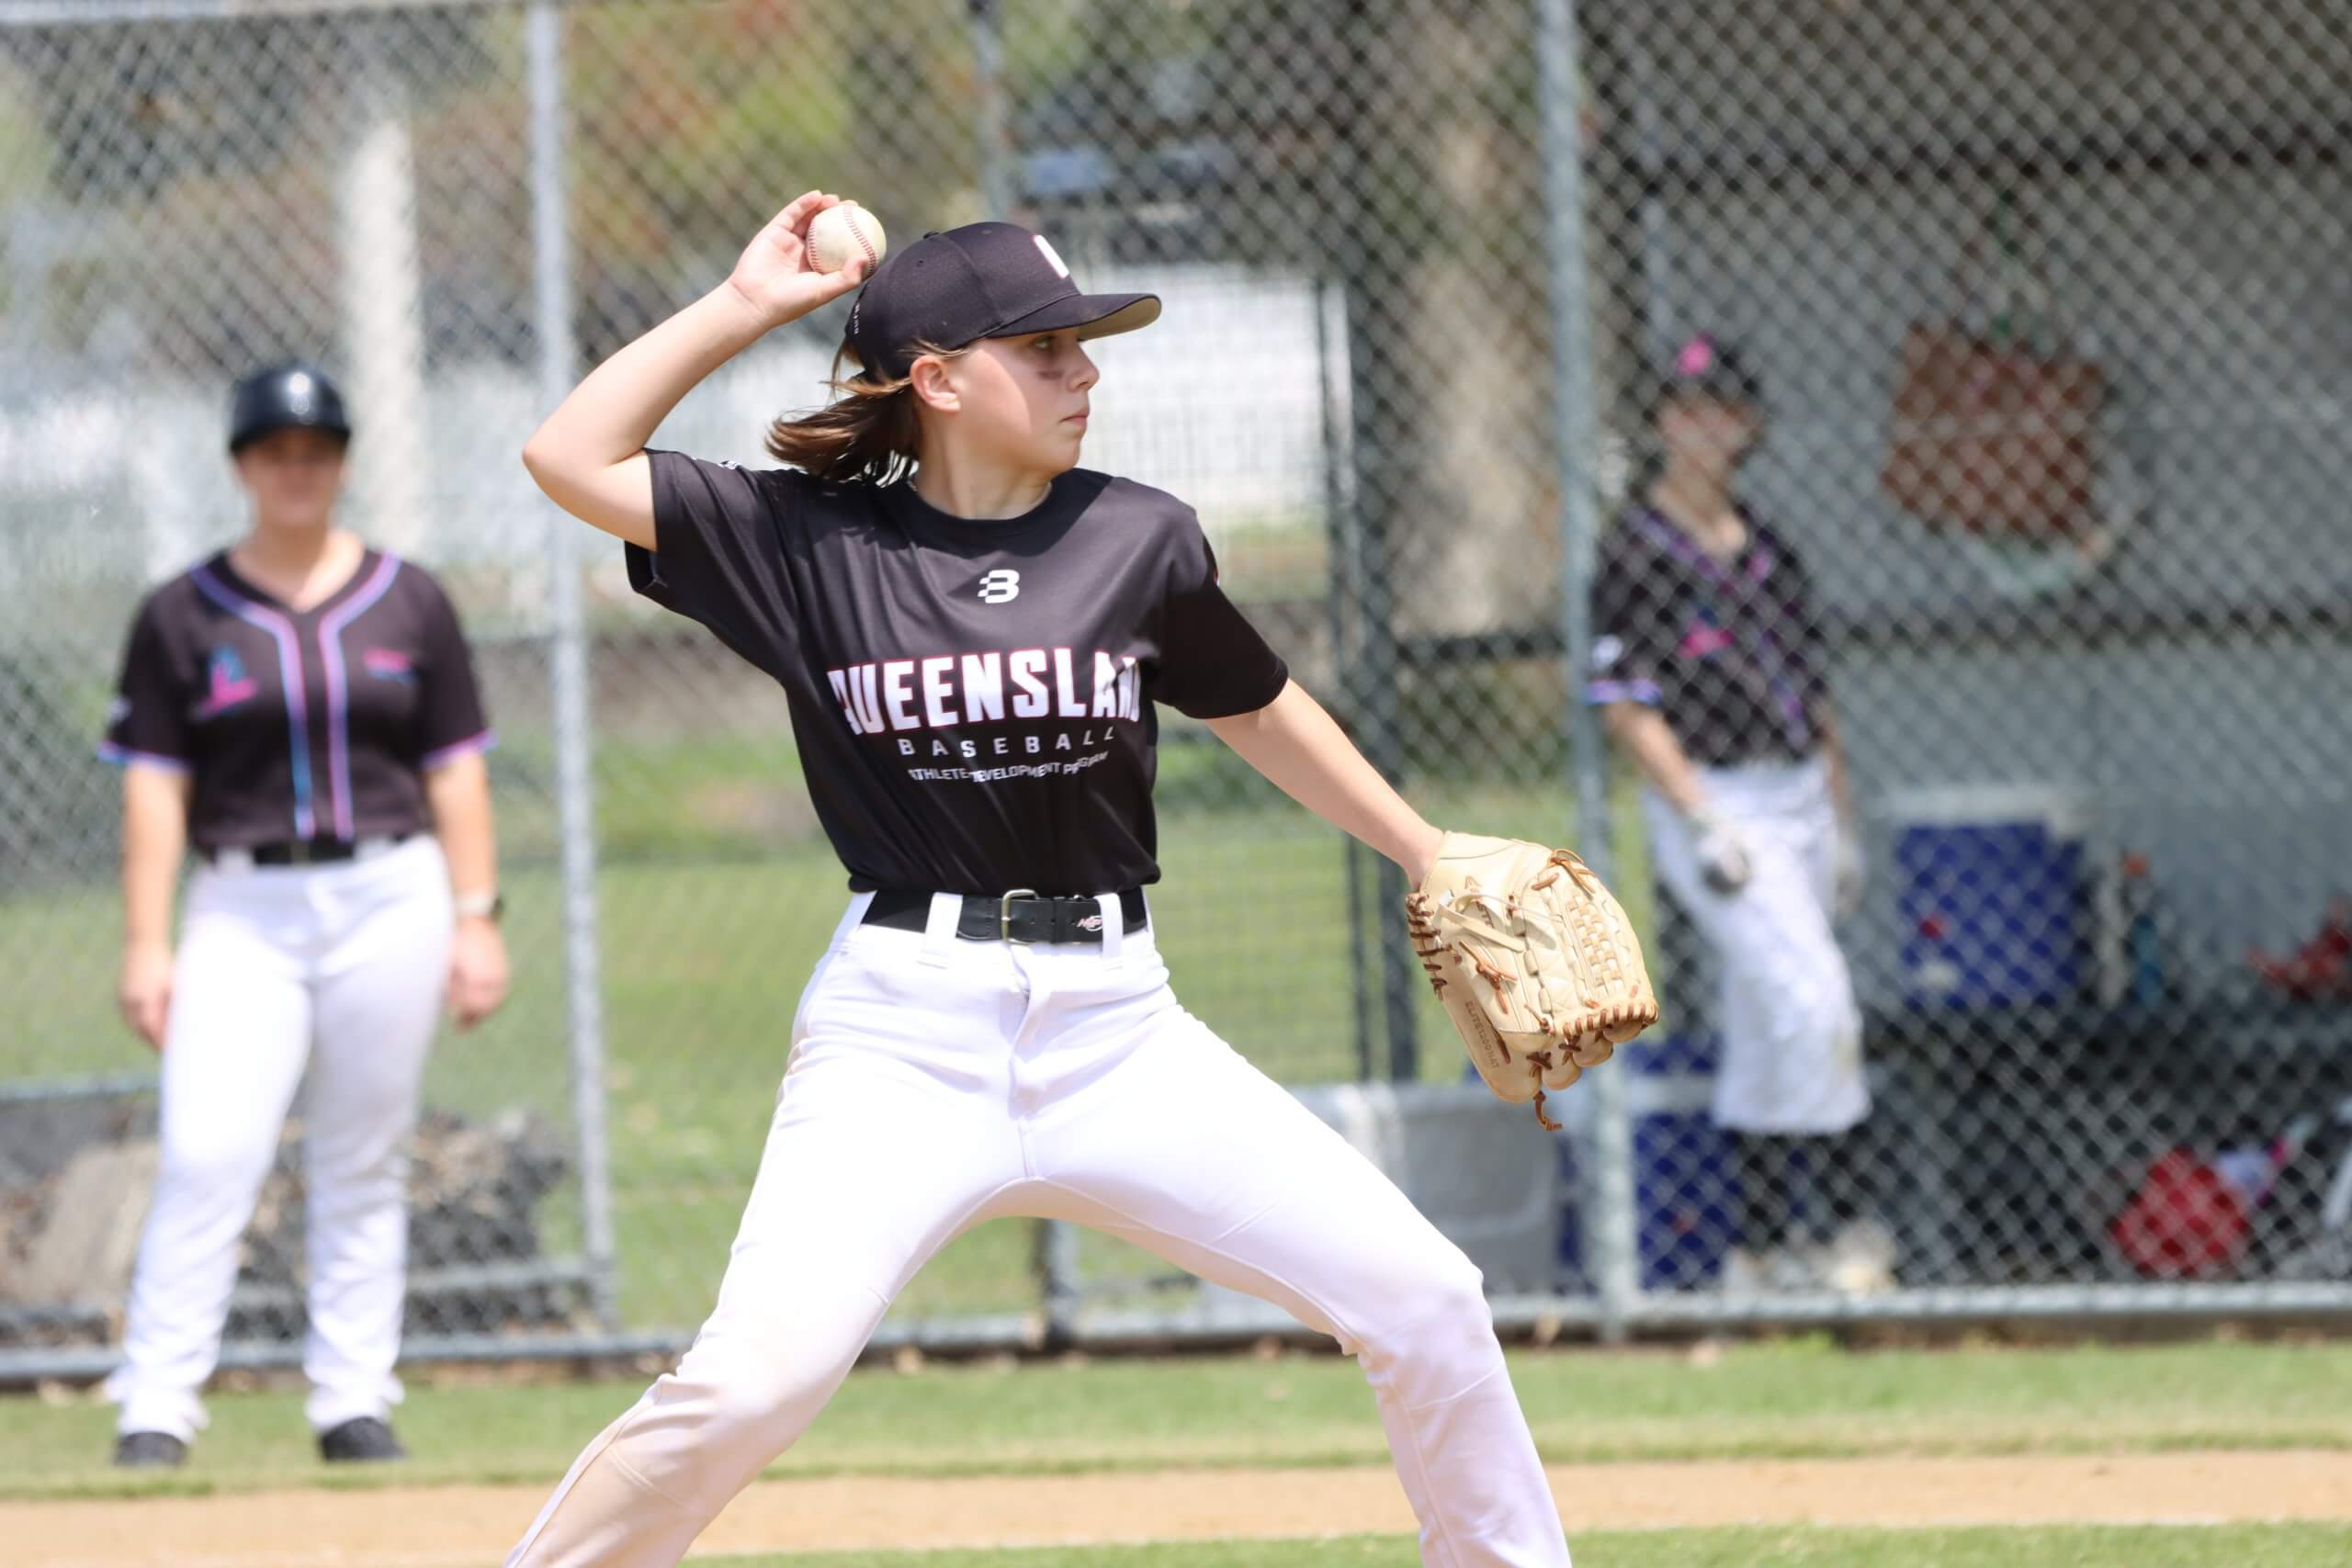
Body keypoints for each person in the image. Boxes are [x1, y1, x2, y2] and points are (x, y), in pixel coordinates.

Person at [507, 195, 1577, 1566]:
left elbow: (1256, 705)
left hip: (1118, 1025)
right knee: (753, 1379)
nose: (1084, 371)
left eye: (1085, 345)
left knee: (1429, 1296)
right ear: (938, 379)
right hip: (903, 1025)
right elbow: (568, 452)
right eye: (1046, 349)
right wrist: (748, 304)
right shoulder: (807, 542)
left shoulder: (1138, 536)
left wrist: (1425, 846)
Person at [99, 363, 510, 1467]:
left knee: (363, 1151)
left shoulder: (407, 596)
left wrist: (478, 917)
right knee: (207, 1148)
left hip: (391, 888)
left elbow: (456, 770)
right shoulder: (182, 612)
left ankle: (351, 1398)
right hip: (242, 900)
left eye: (317, 448)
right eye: (275, 449)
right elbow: (153, 786)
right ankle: (156, 1405)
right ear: (240, 465)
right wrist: (147, 943)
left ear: (341, 461)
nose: (298, 467)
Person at [1585, 335, 1888, 1293]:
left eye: (1721, 407)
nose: (1703, 426)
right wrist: (1702, 814)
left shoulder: (1768, 545)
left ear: (1747, 424)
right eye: (1683, 408)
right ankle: (1844, 1229)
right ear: (1660, 424)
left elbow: (1814, 692)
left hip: (1796, 789)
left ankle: (1756, 1252)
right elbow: (1627, 703)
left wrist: (1839, 820)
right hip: (1716, 798)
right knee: (1816, 1000)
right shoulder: (1637, 549)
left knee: (1767, 1022)